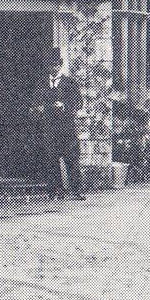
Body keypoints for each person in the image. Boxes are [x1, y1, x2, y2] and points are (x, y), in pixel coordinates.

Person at [34, 48, 85, 200]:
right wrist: (38, 108)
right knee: (51, 159)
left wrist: (65, 105)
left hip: (67, 128)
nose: (53, 68)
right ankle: (56, 190)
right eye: (51, 65)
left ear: (61, 64)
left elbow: (79, 102)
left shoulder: (70, 83)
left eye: (56, 64)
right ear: (47, 66)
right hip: (49, 127)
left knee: (72, 158)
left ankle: (76, 190)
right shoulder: (42, 83)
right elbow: (36, 102)